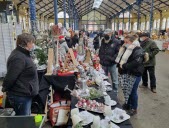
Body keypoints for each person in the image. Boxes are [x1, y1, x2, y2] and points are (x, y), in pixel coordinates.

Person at [2, 33, 39, 116]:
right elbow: (11, 77)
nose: (33, 45)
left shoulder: (23, 54)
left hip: (24, 94)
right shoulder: (18, 57)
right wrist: (5, 89)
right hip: (20, 95)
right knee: (22, 120)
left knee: (25, 118)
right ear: (27, 43)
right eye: (32, 42)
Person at [116, 34, 144, 116]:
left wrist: (124, 66)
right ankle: (128, 104)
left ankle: (134, 108)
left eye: (126, 42)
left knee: (133, 91)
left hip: (135, 73)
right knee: (127, 89)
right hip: (128, 72)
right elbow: (122, 58)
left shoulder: (138, 49)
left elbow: (136, 62)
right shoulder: (127, 48)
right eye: (124, 42)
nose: (125, 43)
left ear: (132, 42)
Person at [99, 28, 121, 95]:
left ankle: (115, 91)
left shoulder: (116, 41)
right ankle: (105, 90)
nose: (106, 35)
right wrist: (101, 57)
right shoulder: (103, 40)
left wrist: (112, 59)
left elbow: (118, 53)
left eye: (107, 34)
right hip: (104, 63)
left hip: (112, 63)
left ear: (111, 33)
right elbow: (101, 49)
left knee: (114, 79)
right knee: (104, 78)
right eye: (105, 34)